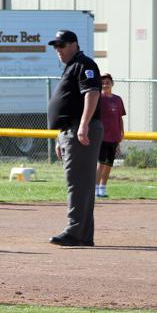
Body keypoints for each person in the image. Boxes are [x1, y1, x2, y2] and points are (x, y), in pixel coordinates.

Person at [46, 30, 103, 247]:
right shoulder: (72, 66)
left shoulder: (84, 64)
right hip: (70, 130)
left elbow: (92, 93)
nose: (58, 50)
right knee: (80, 183)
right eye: (55, 46)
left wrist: (83, 125)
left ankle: (75, 231)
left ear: (74, 45)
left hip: (80, 129)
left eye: (62, 45)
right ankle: (83, 234)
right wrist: (61, 137)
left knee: (78, 183)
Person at [96, 73, 126, 199]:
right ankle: (95, 188)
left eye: (107, 82)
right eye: (102, 82)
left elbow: (120, 117)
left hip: (114, 136)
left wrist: (122, 132)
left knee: (109, 163)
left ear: (112, 84)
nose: (105, 84)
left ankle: (103, 188)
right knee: (101, 163)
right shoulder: (98, 98)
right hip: (102, 136)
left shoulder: (117, 99)